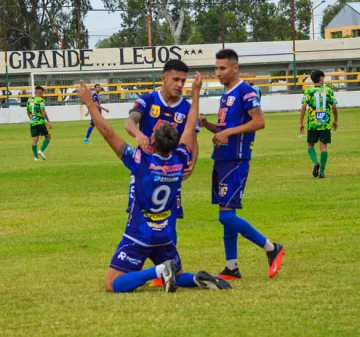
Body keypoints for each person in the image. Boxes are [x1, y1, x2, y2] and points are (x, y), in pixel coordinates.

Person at [78, 75, 232, 293]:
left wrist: (90, 104)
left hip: (140, 234)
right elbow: (189, 127)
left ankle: (158, 271)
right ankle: (198, 279)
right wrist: (195, 93)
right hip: (165, 235)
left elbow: (108, 133)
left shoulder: (140, 161)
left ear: (152, 141)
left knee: (112, 284)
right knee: (179, 275)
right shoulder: (180, 159)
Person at [200, 49, 285, 280]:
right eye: (216, 68)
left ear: (235, 68)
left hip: (236, 160)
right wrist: (209, 125)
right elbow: (224, 130)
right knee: (227, 215)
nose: (218, 73)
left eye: (222, 68)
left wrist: (227, 131)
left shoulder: (245, 91)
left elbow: (259, 122)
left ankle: (271, 247)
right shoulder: (226, 94)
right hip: (221, 158)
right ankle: (231, 267)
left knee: (226, 217)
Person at [125, 60, 199, 287]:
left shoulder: (186, 108)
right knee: (138, 216)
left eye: (183, 81)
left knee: (170, 218)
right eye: (176, 79)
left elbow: (192, 139)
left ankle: (169, 268)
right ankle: (136, 269)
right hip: (145, 174)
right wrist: (137, 134)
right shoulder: (147, 101)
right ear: (163, 78)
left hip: (171, 173)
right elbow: (130, 122)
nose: (180, 85)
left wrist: (192, 164)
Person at [300, 70, 338, 178]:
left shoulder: (308, 91)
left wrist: (301, 123)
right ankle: (322, 172)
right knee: (324, 147)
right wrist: (336, 120)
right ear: (320, 78)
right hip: (325, 123)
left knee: (310, 145)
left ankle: (316, 162)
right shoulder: (328, 91)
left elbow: (303, 107)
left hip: (313, 123)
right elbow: (334, 107)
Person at [26, 86, 52, 161]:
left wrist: (32, 119)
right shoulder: (41, 100)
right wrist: (48, 121)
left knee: (34, 139)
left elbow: (28, 112)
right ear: (40, 92)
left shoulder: (29, 100)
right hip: (41, 122)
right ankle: (41, 150)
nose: (43, 94)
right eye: (43, 92)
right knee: (48, 136)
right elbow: (43, 111)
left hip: (33, 122)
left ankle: (36, 157)